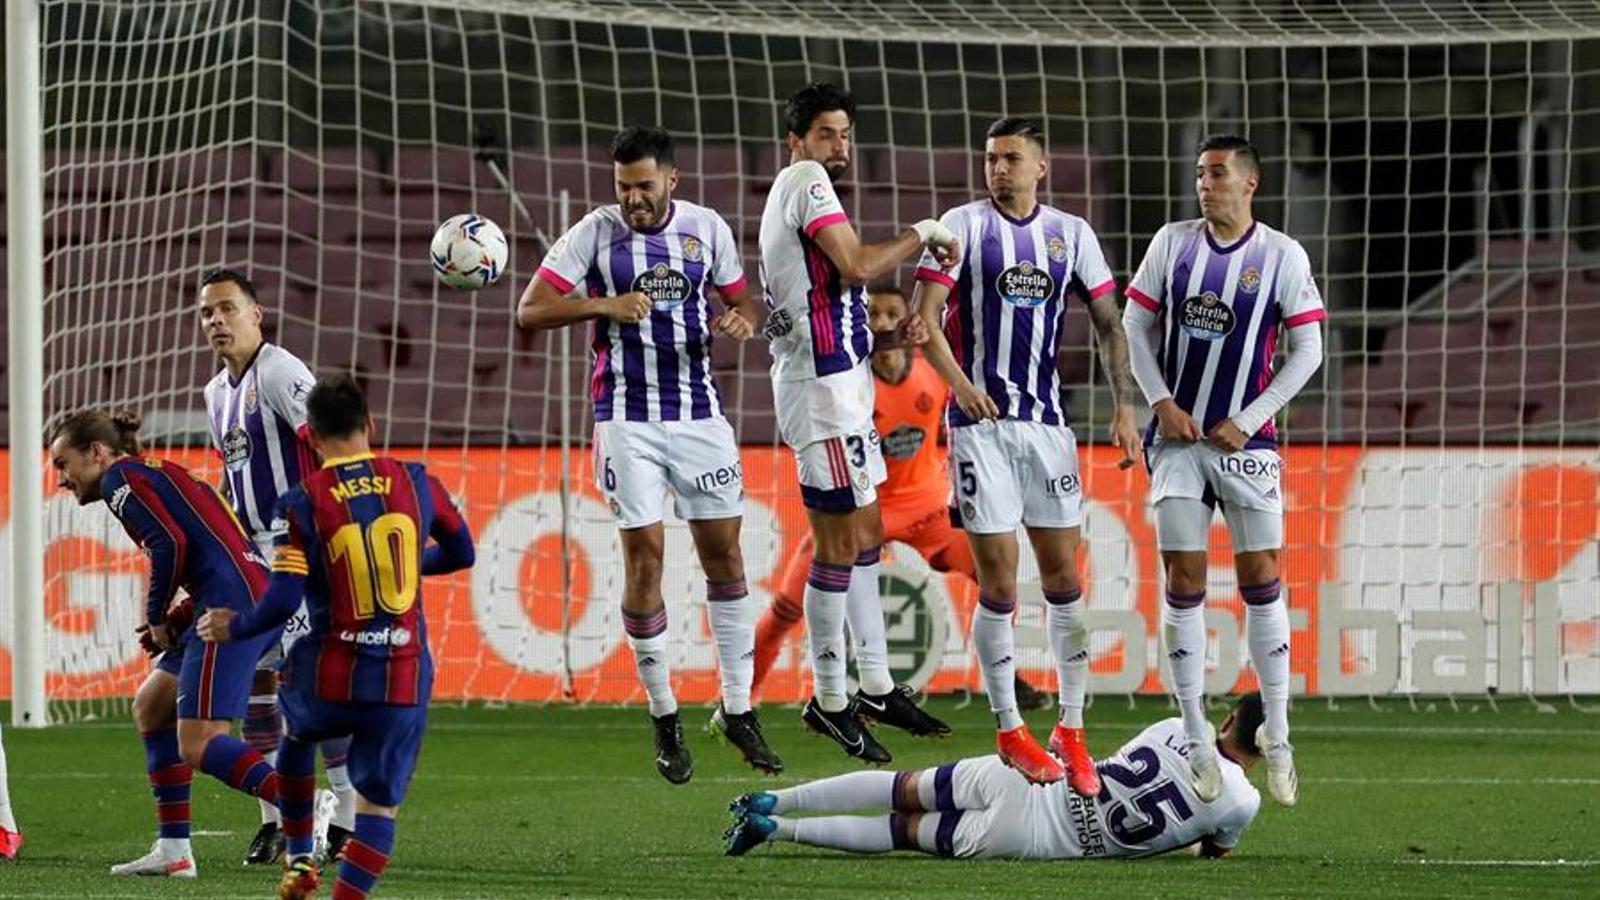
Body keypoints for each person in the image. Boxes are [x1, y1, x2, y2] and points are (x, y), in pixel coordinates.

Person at [517, 125, 777, 783]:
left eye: (644, 185)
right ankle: (664, 716)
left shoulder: (706, 228)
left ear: (672, 180)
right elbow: (531, 309)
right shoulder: (594, 233)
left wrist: (742, 316)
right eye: (623, 186)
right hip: (625, 420)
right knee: (646, 557)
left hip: (699, 417)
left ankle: (740, 706)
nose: (633, 198)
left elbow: (743, 295)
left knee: (724, 553)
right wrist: (603, 303)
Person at [913, 117, 1141, 791]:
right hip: (979, 428)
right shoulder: (961, 226)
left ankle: (1071, 727)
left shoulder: (1072, 236)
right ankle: (1011, 728)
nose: (998, 168)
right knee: (1001, 581)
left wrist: (1125, 404)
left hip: (1048, 429)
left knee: (1065, 578)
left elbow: (1108, 323)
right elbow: (923, 319)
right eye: (991, 158)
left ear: (1041, 168)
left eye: (1012, 158)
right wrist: (962, 386)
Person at [197, 374, 476, 900]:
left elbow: (281, 601)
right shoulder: (418, 482)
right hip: (401, 674)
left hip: (330, 674)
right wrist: (412, 565)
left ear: (312, 438)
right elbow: (463, 554)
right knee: (378, 809)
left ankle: (300, 857)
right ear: (370, 425)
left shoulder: (300, 501)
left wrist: (233, 625)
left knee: (297, 735)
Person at [758, 81, 959, 764]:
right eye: (826, 134)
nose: (838, 147)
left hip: (841, 382)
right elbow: (859, 265)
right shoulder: (805, 180)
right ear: (796, 140)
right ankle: (830, 696)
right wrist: (923, 232)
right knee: (837, 545)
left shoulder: (807, 189)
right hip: (821, 393)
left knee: (866, 530)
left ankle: (874, 683)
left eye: (845, 134)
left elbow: (831, 284)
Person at [1122, 134, 1324, 807]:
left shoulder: (1281, 256)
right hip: (1178, 444)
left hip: (1249, 445)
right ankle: (1195, 735)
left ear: (1250, 184)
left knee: (1261, 576)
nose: (1205, 185)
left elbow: (1308, 349)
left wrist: (1251, 415)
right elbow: (1133, 326)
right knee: (1182, 580)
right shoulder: (1172, 243)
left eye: (1216, 175)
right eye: (1200, 175)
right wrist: (1161, 402)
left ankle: (1280, 732)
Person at [749, 285, 1044, 714]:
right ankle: (743, 694)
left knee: (996, 576)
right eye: (872, 314)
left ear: (908, 320)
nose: (882, 323)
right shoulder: (847, 380)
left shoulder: (934, 373)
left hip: (927, 508)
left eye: (891, 314)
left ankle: (1003, 676)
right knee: (787, 606)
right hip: (859, 512)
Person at [49, 409, 287, 877]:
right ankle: (174, 851)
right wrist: (178, 615)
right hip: (235, 596)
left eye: (63, 464)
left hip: (230, 609)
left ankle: (299, 802)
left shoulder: (121, 481)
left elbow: (169, 544)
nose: (61, 478)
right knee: (152, 706)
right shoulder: (157, 472)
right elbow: (209, 544)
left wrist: (157, 615)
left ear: (96, 452)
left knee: (198, 743)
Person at [199, 267, 356, 863]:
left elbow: (328, 443)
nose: (216, 320)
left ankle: (343, 814)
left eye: (227, 309)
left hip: (299, 550)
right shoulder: (215, 393)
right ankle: (273, 819)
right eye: (207, 313)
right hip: (249, 558)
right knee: (257, 685)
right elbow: (231, 475)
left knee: (309, 687)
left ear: (256, 314)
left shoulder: (281, 370)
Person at [724, 693, 1266, 861]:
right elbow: (1211, 851)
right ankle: (777, 832)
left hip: (1034, 782)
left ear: (1225, 720)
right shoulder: (1242, 802)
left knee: (902, 787)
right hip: (1032, 839)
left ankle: (774, 798)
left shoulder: (1174, 725)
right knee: (900, 832)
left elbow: (1107, 770)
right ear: (1267, 753)